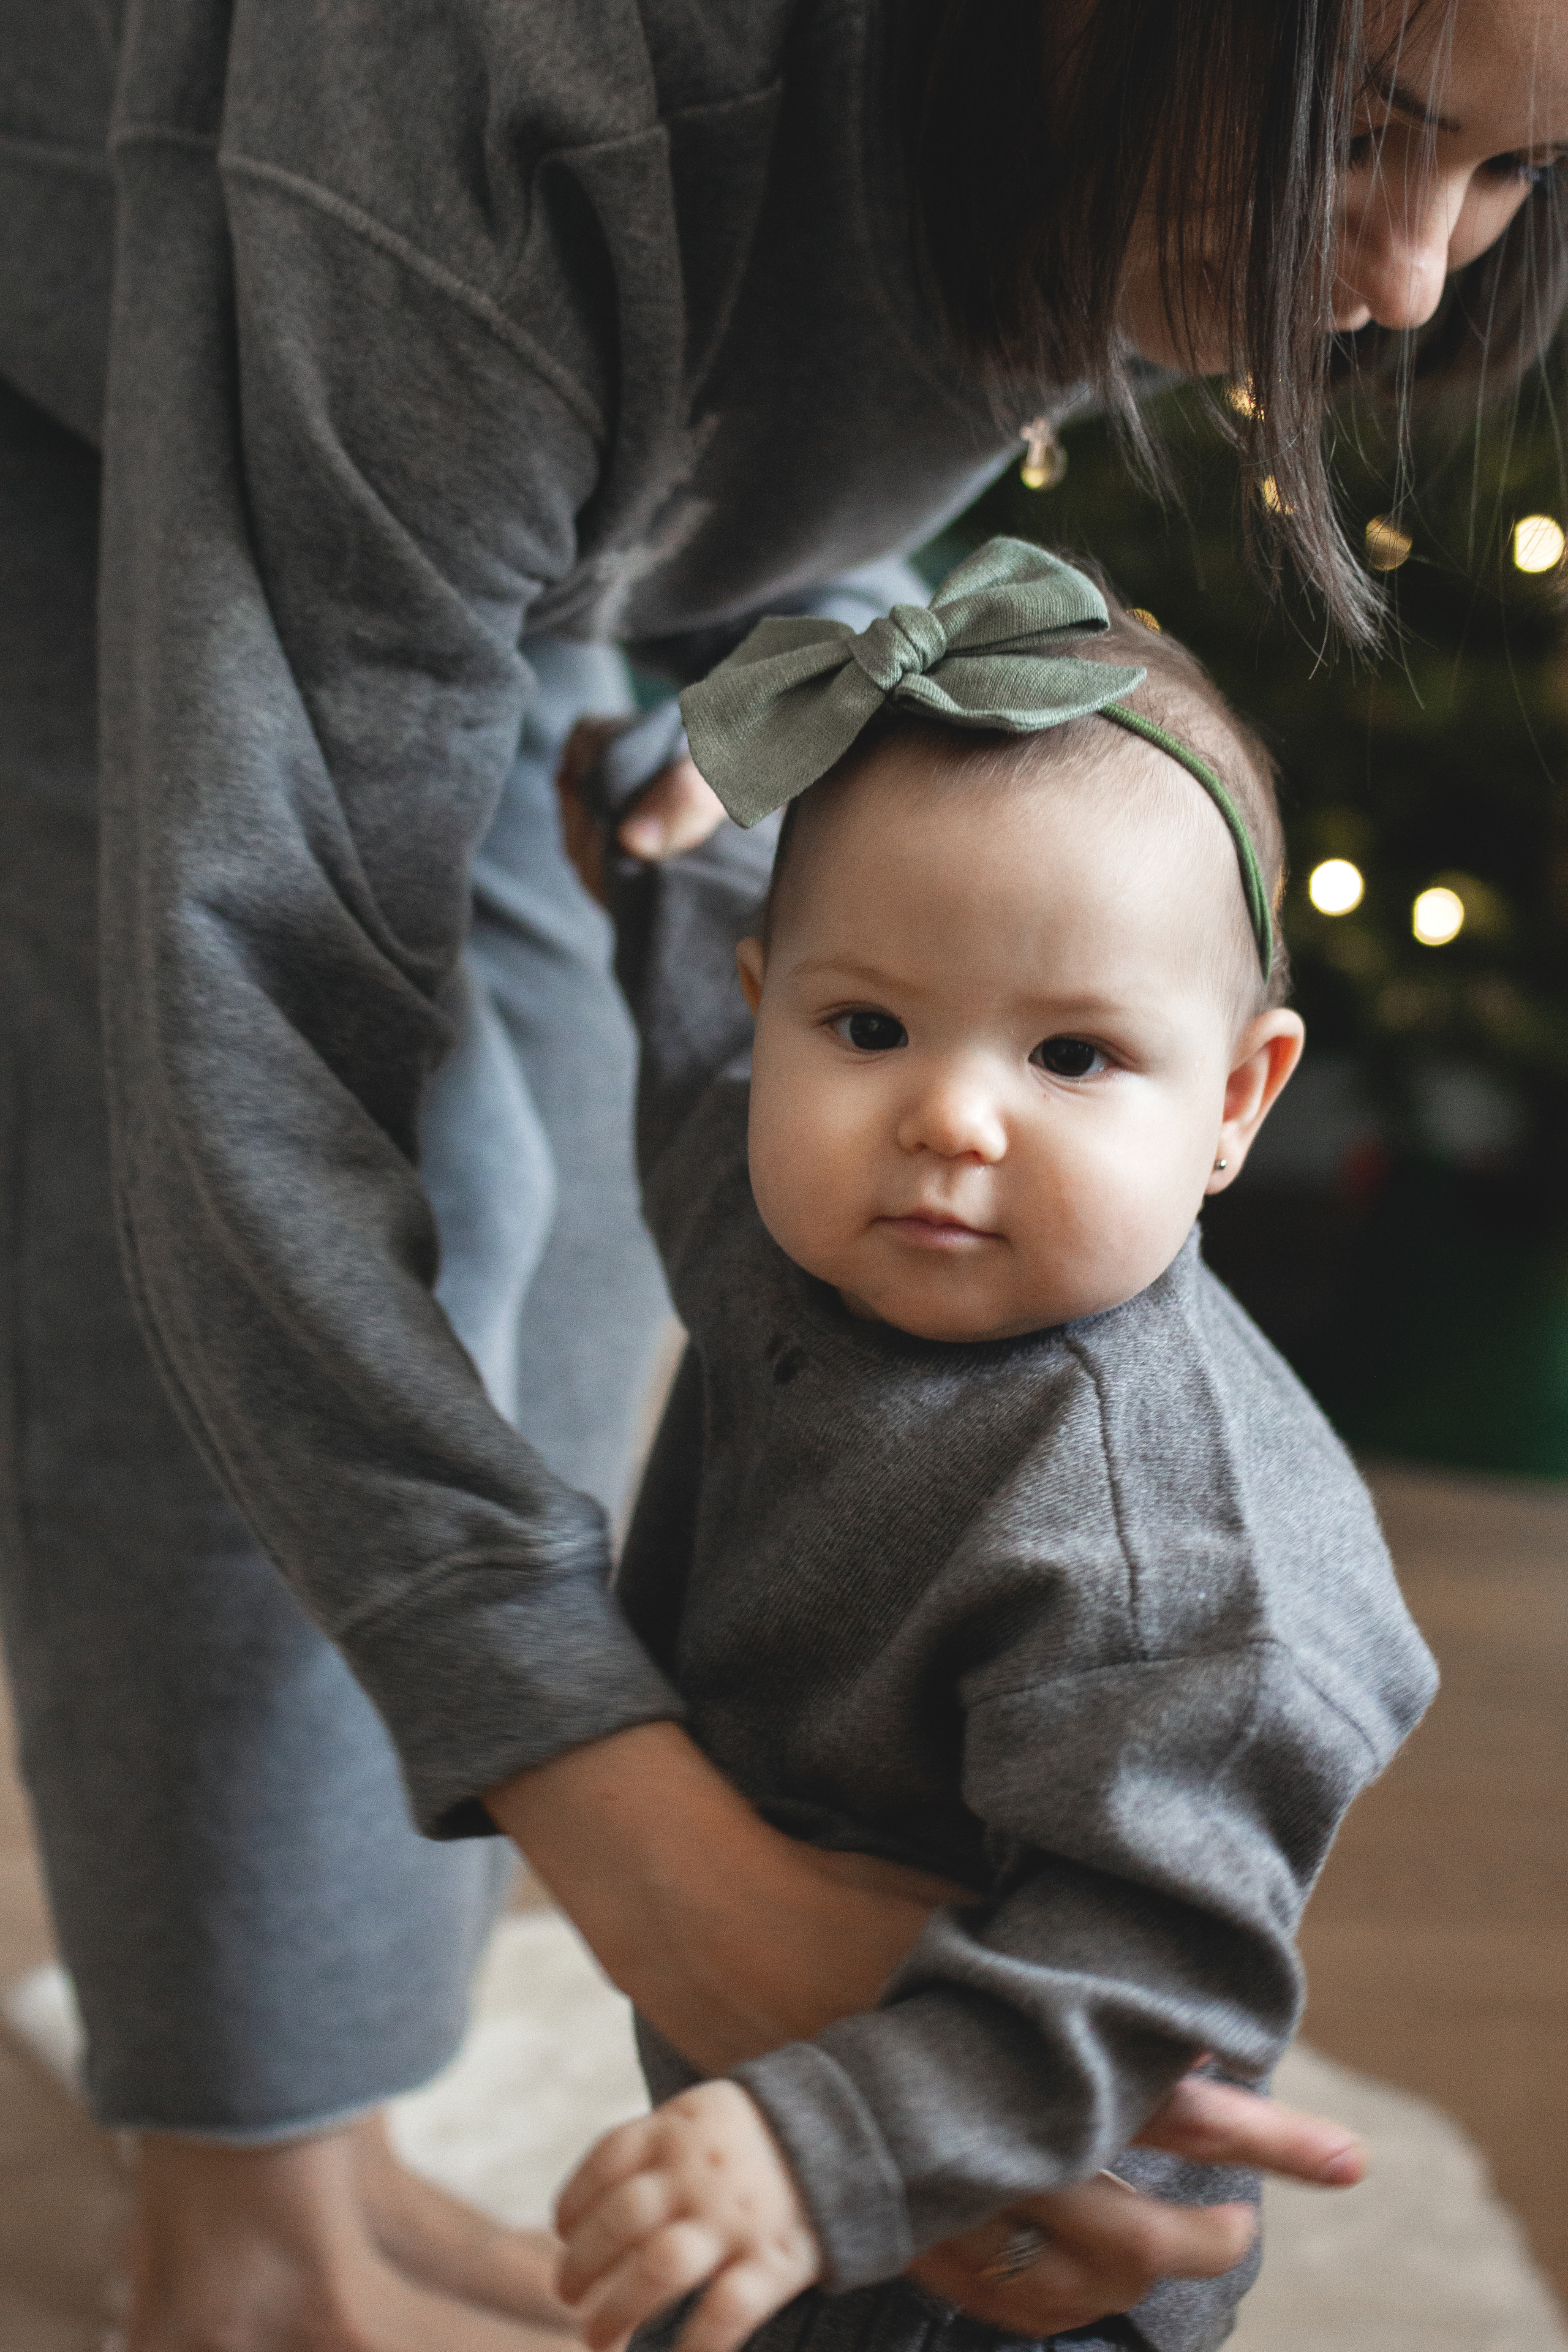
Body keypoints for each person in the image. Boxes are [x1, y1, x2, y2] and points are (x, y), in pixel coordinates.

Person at [0, 0, 1559, 2345]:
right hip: (145, 356)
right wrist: (644, 1853)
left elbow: (792, 472)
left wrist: (764, 721)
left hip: (529, 485)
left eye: (1524, 174)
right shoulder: (511, 86)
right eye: (1370, 137)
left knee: (571, 1253)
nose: (1421, 277)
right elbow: (264, 1076)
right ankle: (245, 2200)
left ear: (1246, 1091)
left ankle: (319, 2108)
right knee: (306, 1233)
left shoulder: (1214, 1578)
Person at [546, 540, 1436, 2352]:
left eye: (1077, 1056)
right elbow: (703, 1069)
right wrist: (651, 857)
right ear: (770, 1008)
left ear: (1236, 1101)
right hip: (776, 2095)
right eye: (867, 1025)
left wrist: (819, 2149)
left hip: (1020, 2231)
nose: (946, 1116)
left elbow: (1143, 1968)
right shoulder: (780, 1206)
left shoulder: (1180, 1563)